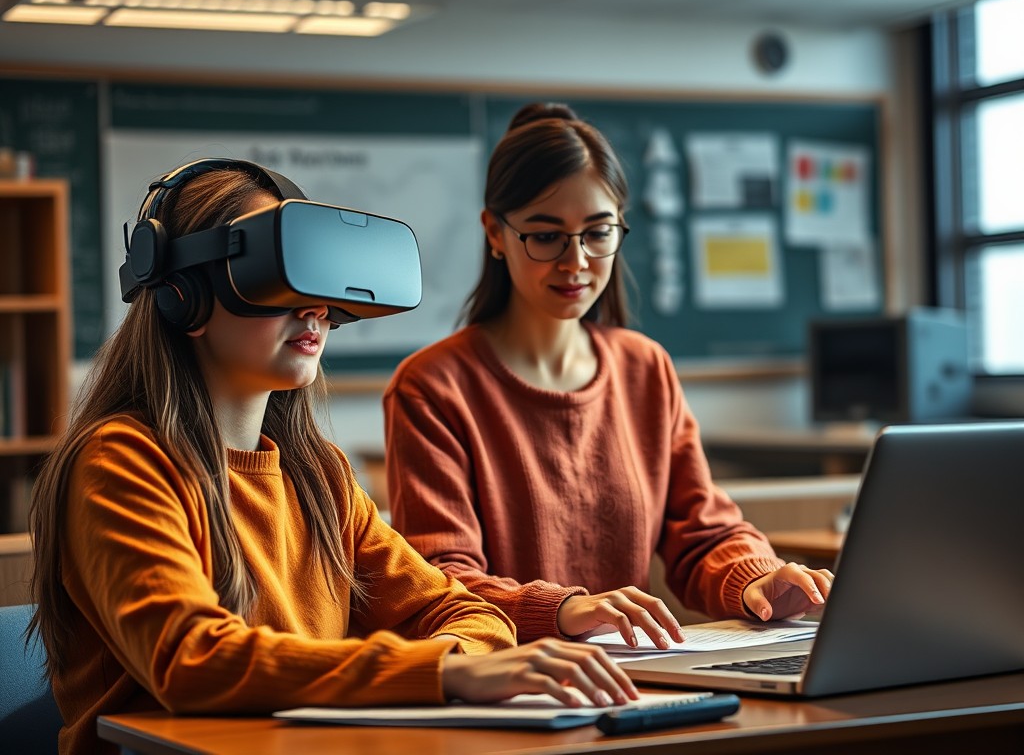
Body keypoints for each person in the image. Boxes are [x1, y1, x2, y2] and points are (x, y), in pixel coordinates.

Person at [28, 158, 638, 755]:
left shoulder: (319, 476)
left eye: (316, 282)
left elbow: (463, 612)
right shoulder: (121, 462)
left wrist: (459, 659)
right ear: (182, 294)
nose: (315, 308)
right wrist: (445, 675)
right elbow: (194, 662)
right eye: (275, 275)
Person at [384, 103, 835, 649]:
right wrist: (566, 609)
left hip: (636, 676)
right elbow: (439, 580)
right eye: (545, 236)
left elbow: (703, 532)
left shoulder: (644, 369)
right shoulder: (433, 385)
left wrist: (757, 580)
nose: (575, 262)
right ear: (495, 234)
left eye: (598, 233)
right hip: (515, 682)